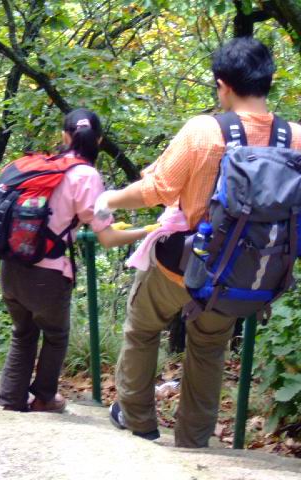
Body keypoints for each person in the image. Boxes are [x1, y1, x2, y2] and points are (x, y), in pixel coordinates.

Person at [95, 37, 301, 447]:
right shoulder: (294, 138)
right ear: (268, 81)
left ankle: (138, 420)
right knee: (208, 349)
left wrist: (109, 199)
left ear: (223, 84)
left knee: (142, 329)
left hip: (184, 264)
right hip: (244, 272)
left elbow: (157, 189)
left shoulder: (204, 130)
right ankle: (193, 441)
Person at [0, 108, 148, 413]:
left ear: (64, 136)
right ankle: (44, 398)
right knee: (55, 335)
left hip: (11, 266)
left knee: (23, 333)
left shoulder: (38, 166)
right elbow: (107, 238)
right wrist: (146, 231)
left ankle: (11, 398)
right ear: (99, 140)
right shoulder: (87, 176)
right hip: (47, 274)